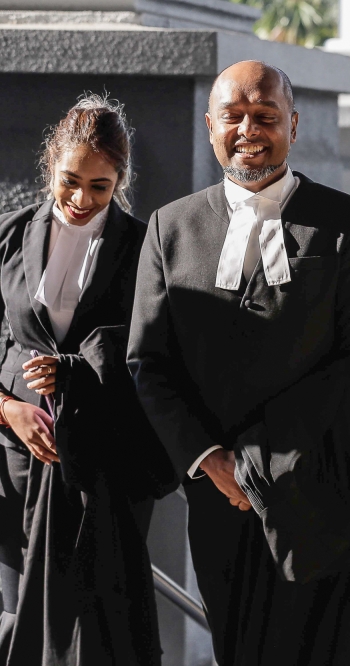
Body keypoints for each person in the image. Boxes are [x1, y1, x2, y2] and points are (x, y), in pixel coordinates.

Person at [127, 61, 350, 666]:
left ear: (293, 126)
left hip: (325, 487)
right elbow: (148, 361)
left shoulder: (346, 224)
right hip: (220, 497)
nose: (250, 129)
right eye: (235, 116)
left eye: (267, 117)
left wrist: (261, 462)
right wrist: (211, 461)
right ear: (210, 126)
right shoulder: (170, 228)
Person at [0, 94, 177, 665]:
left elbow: (152, 352)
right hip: (17, 459)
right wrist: (9, 411)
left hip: (106, 464)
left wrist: (77, 374)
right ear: (50, 166)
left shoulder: (146, 247)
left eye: (99, 187)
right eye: (69, 181)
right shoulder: (8, 236)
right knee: (14, 616)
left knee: (99, 629)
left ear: (120, 181)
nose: (80, 199)